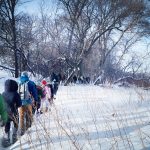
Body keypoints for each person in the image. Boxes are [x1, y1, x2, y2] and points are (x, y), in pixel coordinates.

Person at [2, 79, 22, 147]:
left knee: (7, 125)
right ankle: (14, 137)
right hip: (14, 112)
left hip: (5, 113)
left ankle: (6, 140)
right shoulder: (16, 94)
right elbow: (19, 104)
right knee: (16, 123)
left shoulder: (3, 93)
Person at [18, 71, 38, 135]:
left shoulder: (19, 82)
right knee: (29, 115)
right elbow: (35, 92)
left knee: (21, 116)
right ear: (27, 76)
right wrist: (36, 99)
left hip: (21, 102)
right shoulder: (31, 83)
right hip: (28, 102)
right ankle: (28, 128)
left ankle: (21, 130)